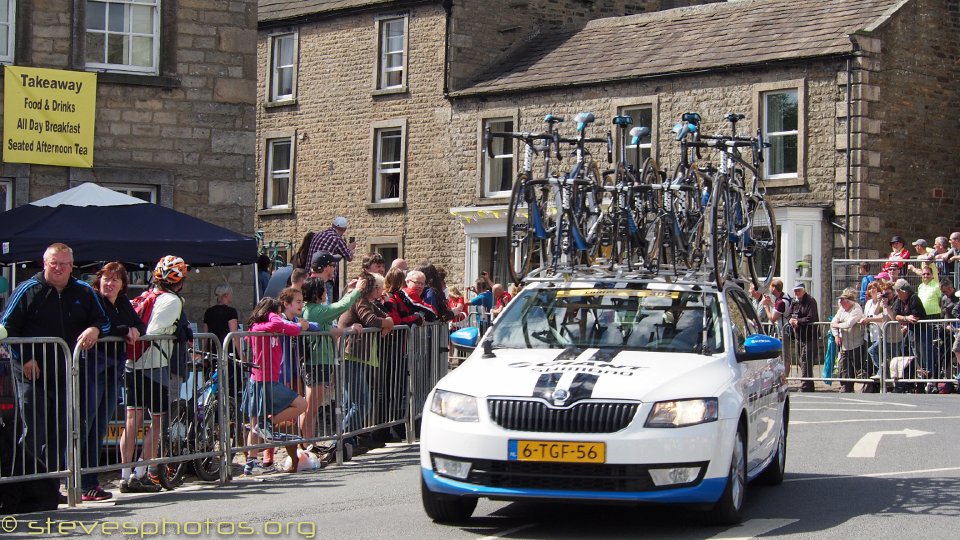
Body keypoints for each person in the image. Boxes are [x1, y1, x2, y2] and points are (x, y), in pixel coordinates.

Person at [0, 243, 110, 479]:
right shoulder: (27, 289)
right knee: (33, 430)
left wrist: (95, 329)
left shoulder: (84, 291)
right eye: (54, 263)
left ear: (72, 266)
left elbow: (105, 320)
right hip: (32, 376)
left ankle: (50, 485)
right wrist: (26, 358)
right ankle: (25, 483)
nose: (58, 268)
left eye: (63, 264)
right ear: (45, 263)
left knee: (59, 432)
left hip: (66, 375)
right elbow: (7, 328)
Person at [120, 255, 187, 493]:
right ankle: (140, 473)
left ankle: (125, 474)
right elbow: (154, 331)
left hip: (132, 364)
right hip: (154, 365)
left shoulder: (147, 295)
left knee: (132, 421)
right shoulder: (172, 300)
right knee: (157, 422)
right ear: (179, 281)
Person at [79, 263, 146, 501]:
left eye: (115, 280)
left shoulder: (124, 302)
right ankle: (77, 481)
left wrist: (134, 329)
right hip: (91, 368)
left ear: (122, 284)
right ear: (99, 280)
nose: (110, 283)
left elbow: (138, 324)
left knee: (99, 426)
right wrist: (123, 329)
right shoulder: (92, 298)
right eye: (107, 278)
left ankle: (89, 483)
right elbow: (101, 324)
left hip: (111, 369)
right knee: (84, 426)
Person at [242, 297, 308, 476]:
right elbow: (285, 327)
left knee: (255, 426)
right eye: (276, 312)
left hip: (265, 379)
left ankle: (251, 462)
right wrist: (299, 325)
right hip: (264, 380)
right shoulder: (260, 327)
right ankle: (266, 428)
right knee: (302, 404)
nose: (278, 316)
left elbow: (286, 328)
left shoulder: (267, 326)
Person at [299, 276, 364, 456]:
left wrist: (348, 292)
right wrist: (357, 290)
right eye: (324, 290)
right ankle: (306, 446)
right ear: (317, 293)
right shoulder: (315, 310)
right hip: (317, 362)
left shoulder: (315, 310)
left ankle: (308, 445)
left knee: (313, 407)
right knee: (311, 407)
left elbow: (331, 326)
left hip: (321, 361)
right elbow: (339, 308)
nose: (326, 292)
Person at [338, 273, 395, 452]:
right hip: (351, 355)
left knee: (353, 402)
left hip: (359, 356)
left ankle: (348, 441)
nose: (382, 291)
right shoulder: (360, 300)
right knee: (361, 403)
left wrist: (387, 322)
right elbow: (372, 320)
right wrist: (385, 323)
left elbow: (385, 317)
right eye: (380, 288)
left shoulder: (368, 302)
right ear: (375, 288)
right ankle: (341, 440)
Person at [307, 217, 356, 302]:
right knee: (326, 307)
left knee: (311, 302)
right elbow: (349, 257)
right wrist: (350, 248)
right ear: (344, 229)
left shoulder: (317, 235)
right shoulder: (337, 239)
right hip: (325, 278)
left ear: (332, 225)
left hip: (310, 276)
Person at [831, 288, 866, 393]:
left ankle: (861, 389)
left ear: (848, 301)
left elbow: (849, 324)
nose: (840, 302)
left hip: (856, 343)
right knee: (844, 367)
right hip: (844, 344)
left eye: (842, 300)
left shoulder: (856, 309)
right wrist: (836, 335)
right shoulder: (841, 309)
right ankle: (846, 388)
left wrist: (838, 325)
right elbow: (833, 322)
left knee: (858, 367)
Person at [788, 283, 819, 392]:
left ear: (804, 290)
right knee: (801, 361)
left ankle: (805, 386)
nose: (796, 293)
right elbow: (790, 314)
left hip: (809, 336)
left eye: (798, 290)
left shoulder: (811, 301)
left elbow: (811, 317)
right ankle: (809, 386)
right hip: (799, 336)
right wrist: (791, 320)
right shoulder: (794, 302)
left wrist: (798, 321)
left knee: (806, 361)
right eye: (795, 291)